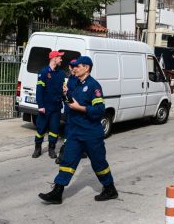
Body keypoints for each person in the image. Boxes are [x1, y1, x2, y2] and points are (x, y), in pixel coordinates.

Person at [39, 56, 118, 204]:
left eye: (78, 66)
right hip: (75, 132)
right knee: (67, 162)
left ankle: (110, 188)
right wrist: (65, 94)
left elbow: (100, 110)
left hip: (91, 133)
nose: (74, 68)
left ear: (86, 68)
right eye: (74, 66)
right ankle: (57, 192)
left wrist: (80, 108)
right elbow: (71, 103)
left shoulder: (93, 86)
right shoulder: (76, 84)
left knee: (99, 163)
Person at [33, 50, 66, 159]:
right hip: (45, 107)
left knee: (54, 129)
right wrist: (41, 106)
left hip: (56, 107)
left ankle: (51, 148)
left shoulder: (61, 73)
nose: (61, 59)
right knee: (41, 129)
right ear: (54, 58)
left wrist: (65, 92)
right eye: (59, 57)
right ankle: (37, 148)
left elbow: (62, 89)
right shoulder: (43, 73)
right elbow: (39, 91)